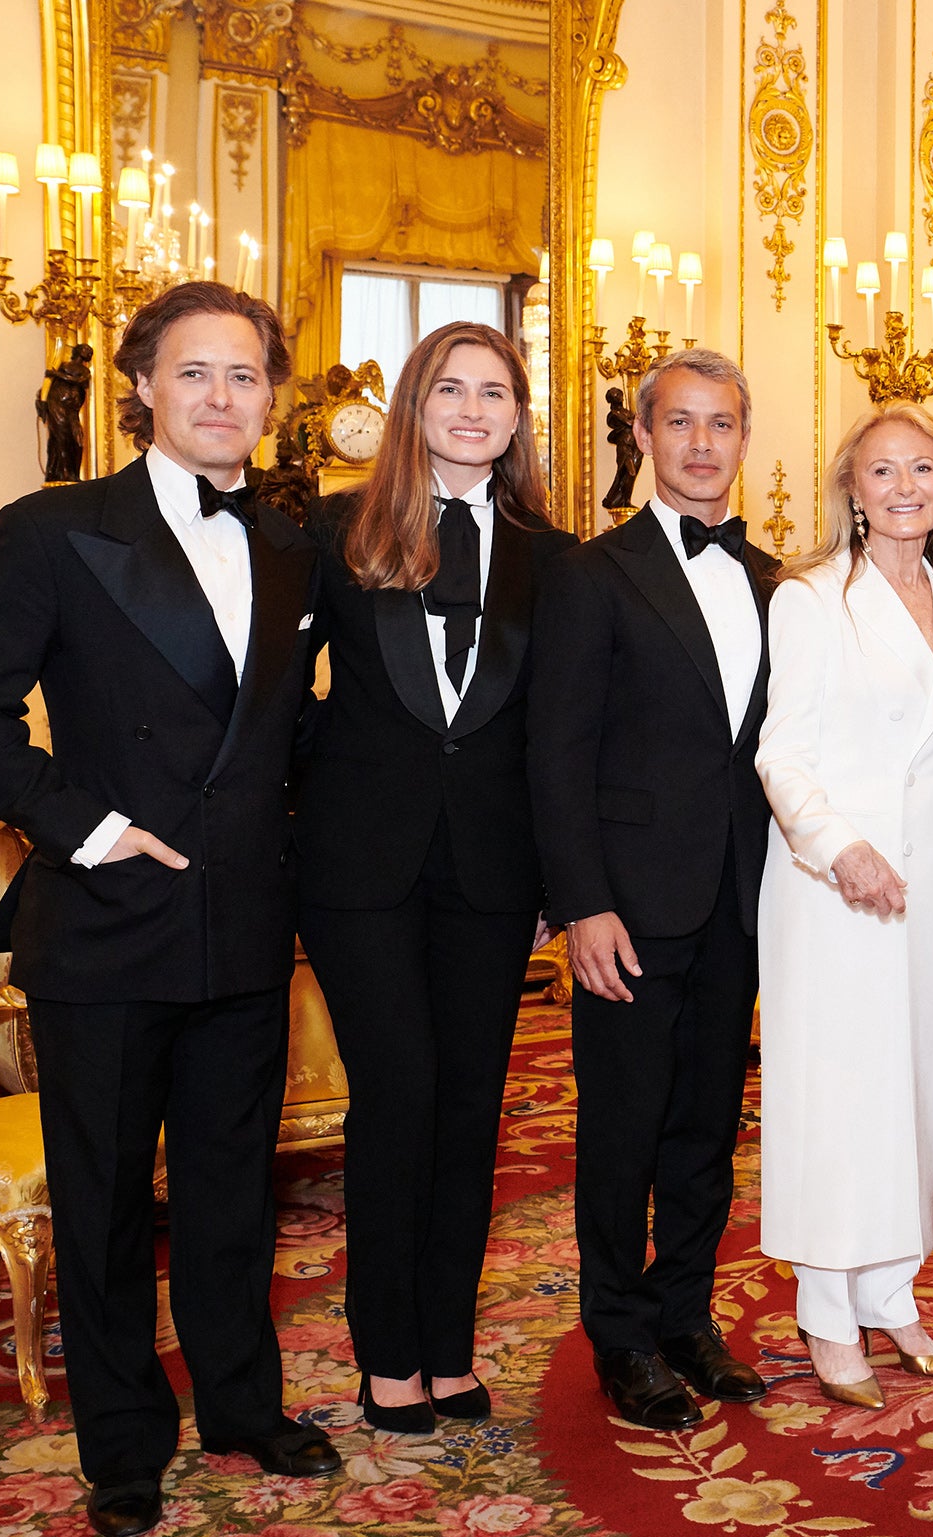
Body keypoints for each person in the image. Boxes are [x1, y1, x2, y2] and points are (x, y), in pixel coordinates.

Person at [0, 281, 335, 1537]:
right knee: (103, 1202)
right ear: (143, 388)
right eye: (197, 374)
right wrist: (87, 830)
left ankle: (244, 1407)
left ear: (272, 397)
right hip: (105, 921)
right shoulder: (53, 529)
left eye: (247, 377)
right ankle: (122, 1442)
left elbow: (291, 730)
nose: (224, 398)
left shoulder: (286, 539)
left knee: (229, 1188)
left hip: (245, 919)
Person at [294, 322, 570, 1436]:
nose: (471, 409)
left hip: (493, 870)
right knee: (398, 1094)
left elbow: (557, 729)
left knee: (470, 1106)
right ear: (415, 406)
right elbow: (273, 689)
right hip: (362, 865)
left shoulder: (552, 555)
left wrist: (564, 872)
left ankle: (448, 1351)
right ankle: (386, 1356)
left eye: (493, 393)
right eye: (449, 389)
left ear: (516, 417)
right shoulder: (333, 528)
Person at [530, 348, 779, 1429]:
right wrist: (582, 902)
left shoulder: (776, 581)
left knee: (705, 1127)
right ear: (642, 436)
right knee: (621, 1130)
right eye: (679, 424)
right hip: (627, 904)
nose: (699, 445)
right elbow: (556, 751)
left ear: (742, 439)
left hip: (742, 897)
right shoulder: (592, 574)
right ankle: (619, 1334)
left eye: (720, 425)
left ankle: (684, 1314)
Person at [756, 402, 933, 1408]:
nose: (904, 488)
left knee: (911, 1093)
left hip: (927, 883)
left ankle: (892, 1293)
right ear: (851, 486)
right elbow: (781, 752)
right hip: (831, 888)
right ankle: (825, 1311)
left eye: (922, 470)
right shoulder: (812, 599)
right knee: (834, 1097)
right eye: (882, 471)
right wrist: (837, 848)